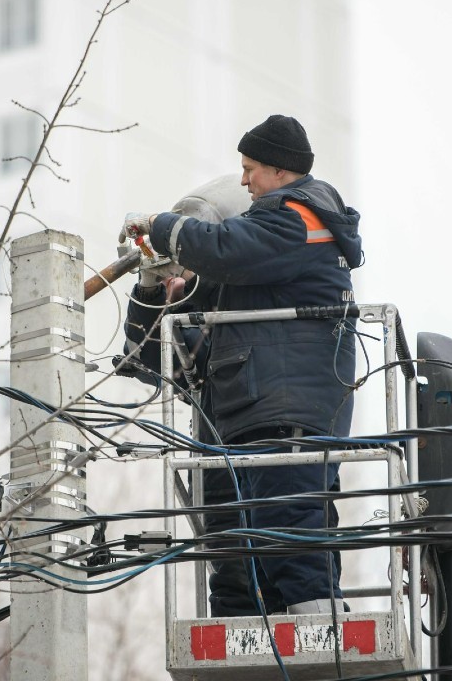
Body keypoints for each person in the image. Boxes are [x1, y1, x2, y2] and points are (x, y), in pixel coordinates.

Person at [119, 115, 362, 616]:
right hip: (236, 426)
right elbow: (152, 356)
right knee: (235, 563)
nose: (246, 180)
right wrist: (150, 286)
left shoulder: (302, 218)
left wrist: (164, 228)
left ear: (279, 170)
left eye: (251, 169)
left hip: (285, 410)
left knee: (289, 531)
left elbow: (227, 248)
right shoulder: (244, 284)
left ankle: (323, 642)